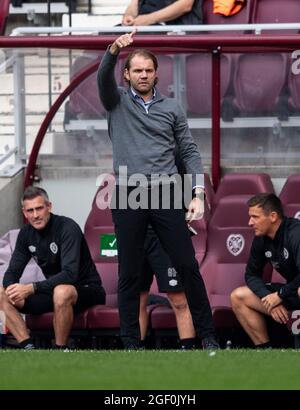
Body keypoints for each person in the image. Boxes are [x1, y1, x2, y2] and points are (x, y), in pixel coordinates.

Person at [97, 30, 218, 349]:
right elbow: (102, 81)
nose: (143, 75)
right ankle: (130, 343)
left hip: (165, 193)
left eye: (148, 70)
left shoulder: (172, 109)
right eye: (136, 69)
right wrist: (112, 51)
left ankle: (208, 337)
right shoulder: (116, 102)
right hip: (127, 193)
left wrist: (197, 193)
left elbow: (190, 151)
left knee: (188, 266)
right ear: (126, 74)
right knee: (129, 274)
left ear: (156, 74)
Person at [0, 187, 105, 349]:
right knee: (1, 293)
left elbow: (70, 275)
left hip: (86, 289)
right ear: (24, 212)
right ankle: (28, 347)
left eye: (39, 208)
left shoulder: (67, 227)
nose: (35, 215)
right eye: (30, 210)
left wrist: (31, 288)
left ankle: (60, 349)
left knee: (62, 291)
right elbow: (12, 272)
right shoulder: (26, 234)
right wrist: (12, 289)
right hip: (52, 291)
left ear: (49, 206)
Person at [231, 193, 300, 348]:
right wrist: (270, 299)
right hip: (291, 290)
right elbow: (251, 275)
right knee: (238, 296)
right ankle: (266, 352)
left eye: (255, 217)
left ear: (273, 216)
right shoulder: (261, 239)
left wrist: (280, 295)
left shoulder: (295, 233)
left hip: (293, 290)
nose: (250, 222)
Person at [140, 225, 196, 349]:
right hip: (135, 230)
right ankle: (135, 350)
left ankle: (189, 349)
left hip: (165, 230)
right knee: (137, 299)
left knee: (179, 300)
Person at [122, 0, 202, 26]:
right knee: (113, 38)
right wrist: (129, 17)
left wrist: (147, 19)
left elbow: (185, 5)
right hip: (142, 26)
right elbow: (134, 3)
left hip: (174, 27)